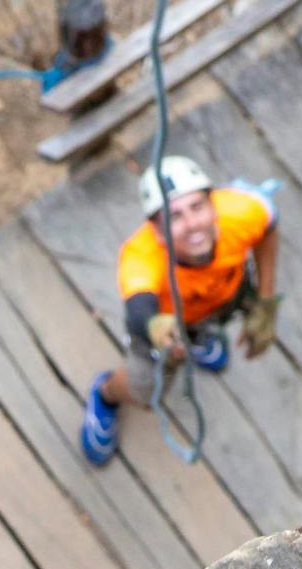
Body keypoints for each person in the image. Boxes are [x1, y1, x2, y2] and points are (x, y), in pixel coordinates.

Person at [80, 154, 279, 465]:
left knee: (212, 322)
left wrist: (265, 301)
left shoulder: (242, 213)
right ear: (157, 231)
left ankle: (199, 340)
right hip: (161, 331)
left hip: (217, 303)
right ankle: (105, 393)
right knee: (144, 390)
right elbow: (138, 307)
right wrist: (157, 327)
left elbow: (269, 224)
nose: (192, 224)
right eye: (175, 217)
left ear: (213, 206)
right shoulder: (141, 257)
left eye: (197, 207)